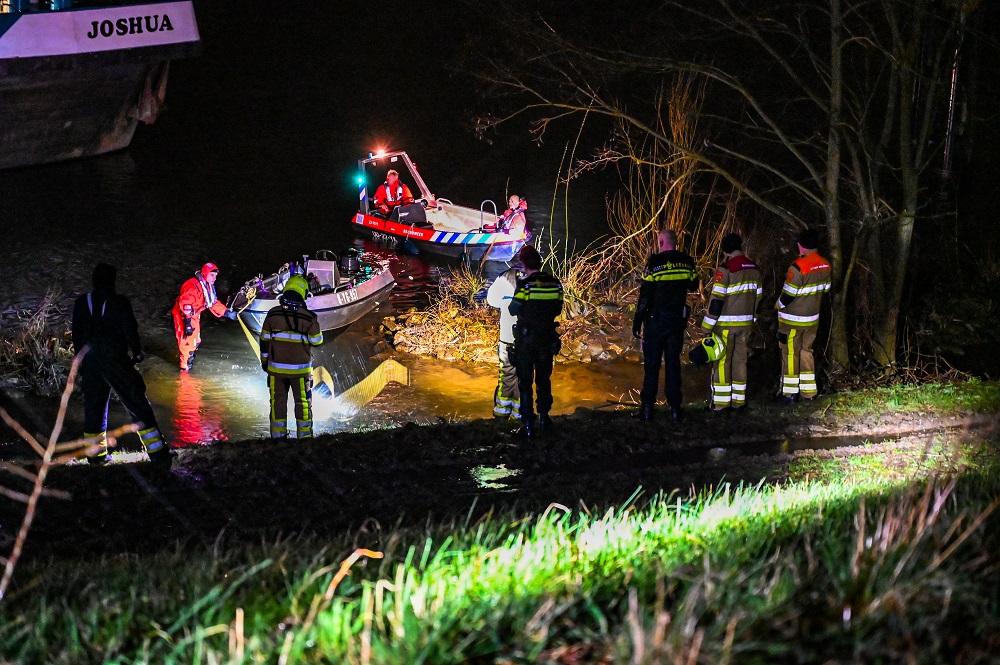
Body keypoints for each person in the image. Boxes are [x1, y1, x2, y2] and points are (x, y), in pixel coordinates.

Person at [71, 263, 173, 467]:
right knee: (138, 405)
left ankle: (96, 457)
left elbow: (76, 334)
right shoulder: (119, 302)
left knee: (94, 409)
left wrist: (79, 361)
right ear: (112, 281)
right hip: (115, 362)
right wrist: (136, 353)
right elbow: (130, 330)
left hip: (90, 363)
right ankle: (159, 456)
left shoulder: (82, 302)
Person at [633, 229, 699, 422]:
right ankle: (675, 409)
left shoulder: (654, 263)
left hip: (655, 321)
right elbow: (694, 285)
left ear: (661, 242)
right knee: (673, 363)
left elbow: (645, 295)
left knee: (652, 364)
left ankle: (647, 409)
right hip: (676, 321)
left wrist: (637, 321)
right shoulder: (687, 262)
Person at [701, 232, 762, 411]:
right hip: (746, 325)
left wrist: (707, 326)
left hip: (725, 326)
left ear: (726, 251)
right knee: (740, 361)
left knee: (722, 362)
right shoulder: (754, 269)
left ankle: (721, 405)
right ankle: (738, 402)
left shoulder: (726, 269)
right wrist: (753, 320)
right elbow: (758, 299)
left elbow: (716, 301)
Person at [259, 275, 324, 438]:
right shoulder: (309, 317)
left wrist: (265, 363)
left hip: (276, 370)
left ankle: (278, 437)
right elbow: (317, 341)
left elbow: (264, 341)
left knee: (277, 402)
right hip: (300, 371)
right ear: (303, 293)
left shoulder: (272, 314)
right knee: (303, 403)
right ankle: (305, 437)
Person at [508, 245, 563, 437]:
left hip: (527, 340)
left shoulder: (525, 285)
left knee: (525, 382)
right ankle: (544, 417)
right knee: (543, 379)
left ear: (524, 264)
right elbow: (558, 308)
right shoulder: (555, 284)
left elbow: (513, 309)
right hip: (547, 338)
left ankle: (528, 425)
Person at [775, 228, 831, 402]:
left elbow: (788, 295)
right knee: (807, 352)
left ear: (801, 246)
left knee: (790, 354)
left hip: (792, 320)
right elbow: (826, 288)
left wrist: (777, 305)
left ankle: (790, 393)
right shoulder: (825, 264)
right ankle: (809, 393)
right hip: (812, 320)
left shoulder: (798, 267)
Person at [172, 262, 238, 372]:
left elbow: (212, 303)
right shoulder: (192, 286)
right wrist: (187, 324)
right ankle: (184, 370)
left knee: (196, 341)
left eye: (215, 276)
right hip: (183, 316)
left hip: (193, 315)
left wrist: (226, 312)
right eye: (212, 275)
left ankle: (188, 363)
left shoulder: (207, 287)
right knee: (187, 343)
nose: (214, 278)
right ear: (205, 274)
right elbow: (185, 305)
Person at [486, 266, 520, 420]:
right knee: (523, 377)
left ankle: (502, 412)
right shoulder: (539, 279)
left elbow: (491, 300)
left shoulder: (505, 276)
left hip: (507, 336)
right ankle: (518, 414)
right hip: (528, 338)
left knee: (506, 373)